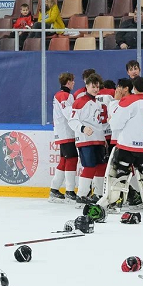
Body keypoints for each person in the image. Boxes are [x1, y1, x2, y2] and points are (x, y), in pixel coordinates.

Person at [102, 76, 143, 211]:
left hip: (129, 145)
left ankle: (116, 202)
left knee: (121, 173)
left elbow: (115, 124)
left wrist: (114, 106)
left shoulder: (128, 101)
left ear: (133, 88)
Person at [68, 73, 108, 205]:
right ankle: (81, 195)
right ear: (86, 86)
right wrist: (82, 128)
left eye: (97, 87)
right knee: (89, 167)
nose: (96, 89)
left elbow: (98, 124)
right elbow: (72, 120)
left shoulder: (96, 103)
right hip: (85, 141)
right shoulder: (79, 102)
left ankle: (98, 193)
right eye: (93, 86)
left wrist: (103, 139)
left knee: (101, 166)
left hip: (98, 140)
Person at [49, 72, 78, 203]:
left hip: (62, 132)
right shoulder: (65, 96)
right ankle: (70, 191)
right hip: (67, 133)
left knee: (64, 160)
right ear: (68, 82)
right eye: (72, 81)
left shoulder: (59, 95)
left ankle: (54, 189)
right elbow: (69, 114)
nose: (74, 83)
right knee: (72, 159)